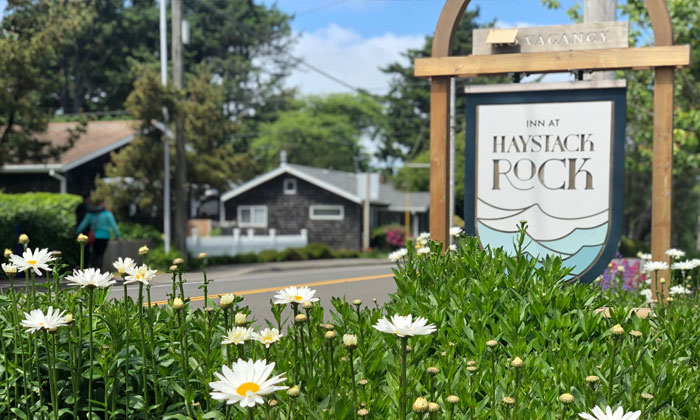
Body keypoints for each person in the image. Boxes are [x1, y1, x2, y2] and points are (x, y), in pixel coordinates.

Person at [76, 200, 121, 269]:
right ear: (102, 203)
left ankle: (93, 269)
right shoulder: (108, 214)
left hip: (94, 237)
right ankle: (98, 270)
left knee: (94, 253)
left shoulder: (90, 214)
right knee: (100, 254)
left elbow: (82, 225)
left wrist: (77, 232)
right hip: (104, 237)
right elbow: (114, 226)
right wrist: (118, 236)